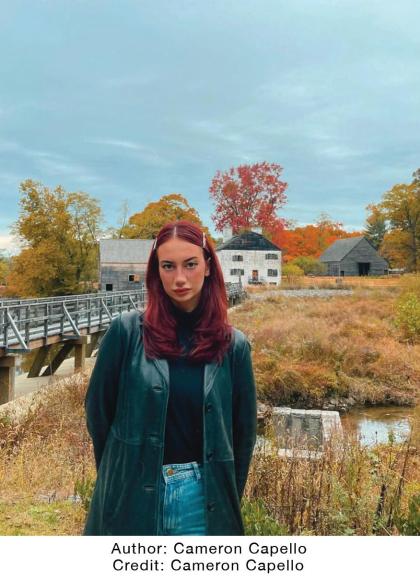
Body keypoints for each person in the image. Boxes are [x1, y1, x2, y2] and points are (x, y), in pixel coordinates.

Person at [83, 220, 257, 535]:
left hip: (200, 500)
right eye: (168, 266)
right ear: (156, 271)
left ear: (208, 266)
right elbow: (98, 414)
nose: (179, 278)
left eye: (190, 264)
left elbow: (243, 435)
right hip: (131, 493)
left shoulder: (234, 346)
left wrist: (225, 498)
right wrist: (117, 477)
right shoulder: (126, 333)